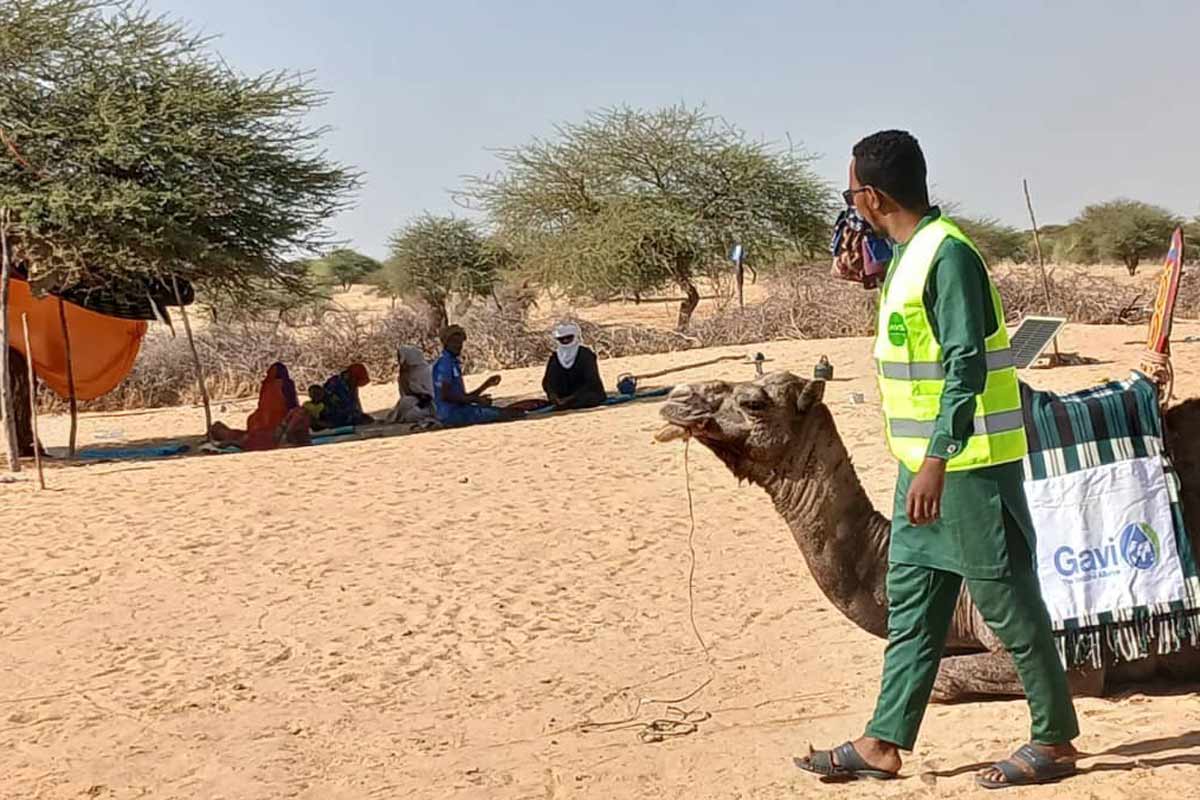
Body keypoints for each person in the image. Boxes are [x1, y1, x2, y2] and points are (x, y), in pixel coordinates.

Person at [795, 131, 1079, 789]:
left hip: (966, 467)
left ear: (873, 196)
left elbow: (965, 364)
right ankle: (882, 742)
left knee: (1006, 602)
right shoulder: (909, 255)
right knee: (913, 606)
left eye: (851, 193)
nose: (850, 205)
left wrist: (937, 460)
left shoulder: (949, 257)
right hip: (921, 467)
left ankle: (1055, 739)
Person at [431, 325, 522, 426]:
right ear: (446, 343)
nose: (458, 346)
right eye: (455, 342)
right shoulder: (445, 363)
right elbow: (446, 395)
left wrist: (485, 386)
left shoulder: (452, 363)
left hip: (459, 410)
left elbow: (462, 397)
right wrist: (476, 399)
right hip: (451, 414)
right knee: (507, 414)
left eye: (460, 343)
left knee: (507, 411)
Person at [541, 322, 606, 410]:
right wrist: (553, 396)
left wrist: (570, 398)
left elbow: (591, 381)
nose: (565, 341)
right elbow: (548, 381)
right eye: (561, 339)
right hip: (562, 397)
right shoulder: (555, 358)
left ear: (575, 337)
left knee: (587, 399)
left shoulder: (586, 354)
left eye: (569, 338)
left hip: (586, 394)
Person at [386, 345, 436, 425]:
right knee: (405, 402)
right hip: (415, 402)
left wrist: (421, 398)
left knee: (411, 415)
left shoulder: (425, 372)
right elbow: (405, 393)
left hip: (429, 405)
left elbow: (431, 395)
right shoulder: (405, 374)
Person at [320, 363, 373, 428]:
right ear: (349, 376)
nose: (356, 384)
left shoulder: (352, 386)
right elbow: (329, 405)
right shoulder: (333, 384)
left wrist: (361, 416)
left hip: (350, 419)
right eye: (356, 380)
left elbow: (354, 405)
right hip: (334, 419)